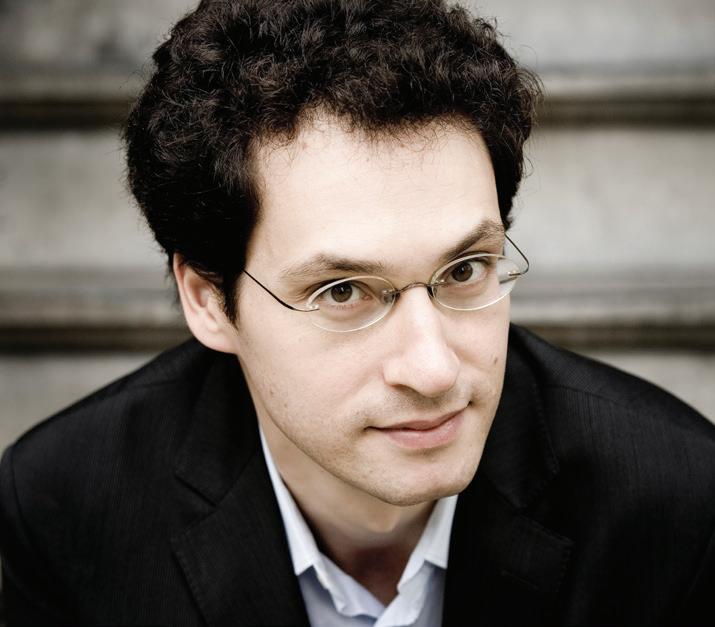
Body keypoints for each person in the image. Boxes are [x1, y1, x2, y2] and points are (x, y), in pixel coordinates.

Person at [1, 1, 713, 625]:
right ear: (209, 300)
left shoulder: (675, 499)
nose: (433, 369)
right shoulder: (64, 505)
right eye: (342, 291)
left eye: (464, 270)